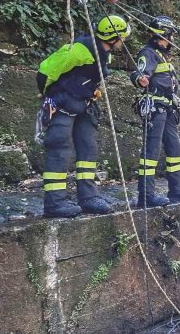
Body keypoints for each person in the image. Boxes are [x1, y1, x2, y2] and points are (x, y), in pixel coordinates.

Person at [37, 15, 131, 217]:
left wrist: (91, 91)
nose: (123, 42)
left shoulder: (103, 52)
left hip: (84, 105)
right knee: (59, 147)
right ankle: (55, 203)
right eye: (122, 38)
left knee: (88, 148)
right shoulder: (81, 49)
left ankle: (88, 197)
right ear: (114, 38)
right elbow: (46, 70)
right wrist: (45, 94)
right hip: (62, 103)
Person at [130, 15, 180, 208]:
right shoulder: (148, 53)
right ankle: (146, 196)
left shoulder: (162, 56)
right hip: (156, 107)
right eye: (170, 36)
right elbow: (138, 73)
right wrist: (140, 79)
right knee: (151, 151)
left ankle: (176, 190)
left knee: (175, 149)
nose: (172, 41)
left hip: (168, 108)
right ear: (162, 36)